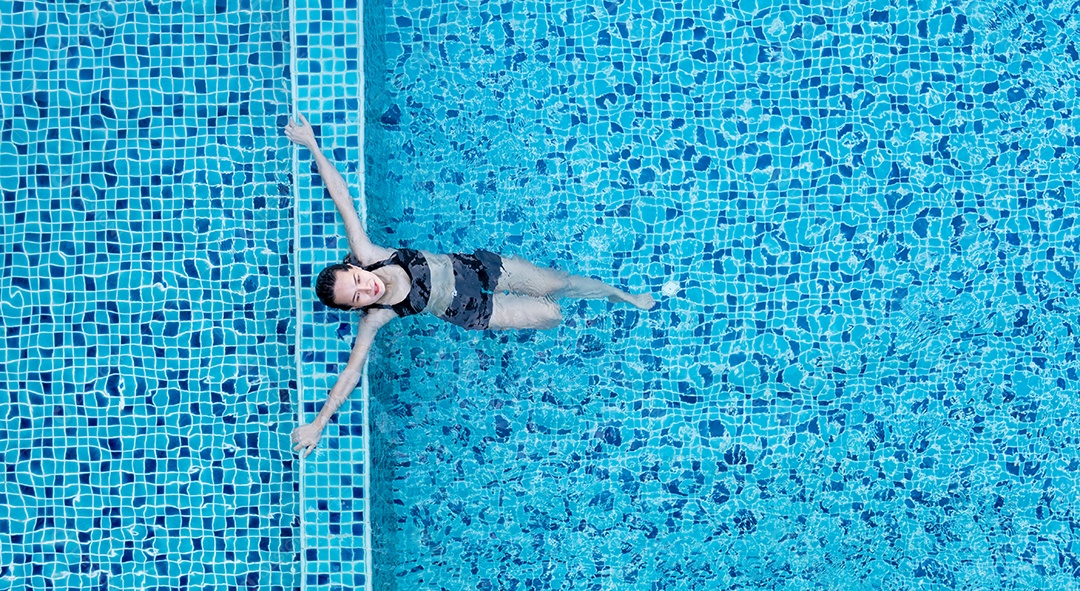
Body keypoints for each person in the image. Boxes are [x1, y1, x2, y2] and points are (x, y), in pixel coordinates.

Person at [285, 114, 656, 457]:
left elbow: (341, 197)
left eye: (358, 280)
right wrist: (318, 424)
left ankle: (621, 296)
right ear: (354, 308)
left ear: (354, 265)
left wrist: (313, 146)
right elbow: (350, 373)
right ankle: (568, 313)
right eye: (358, 297)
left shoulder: (369, 251)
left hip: (480, 270)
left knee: (556, 282)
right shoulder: (374, 319)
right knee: (551, 313)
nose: (368, 289)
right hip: (476, 311)